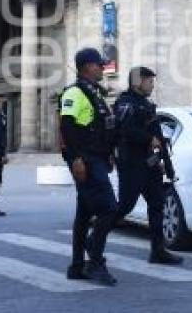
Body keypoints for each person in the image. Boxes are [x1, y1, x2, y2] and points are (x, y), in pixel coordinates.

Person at [59, 47, 119, 286]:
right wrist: (76, 159)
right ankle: (94, 262)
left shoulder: (93, 92)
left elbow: (101, 127)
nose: (102, 67)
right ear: (86, 67)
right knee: (109, 209)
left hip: (97, 159)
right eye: (98, 64)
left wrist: (109, 155)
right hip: (86, 160)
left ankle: (76, 266)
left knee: (84, 215)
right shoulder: (75, 93)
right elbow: (68, 126)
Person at [113, 66, 183, 265]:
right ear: (137, 82)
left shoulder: (146, 104)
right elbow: (124, 131)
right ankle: (95, 239)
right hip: (131, 164)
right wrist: (148, 139)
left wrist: (165, 163)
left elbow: (158, 136)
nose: (152, 85)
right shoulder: (125, 103)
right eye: (149, 81)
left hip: (149, 164)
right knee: (125, 206)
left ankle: (158, 251)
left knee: (157, 204)